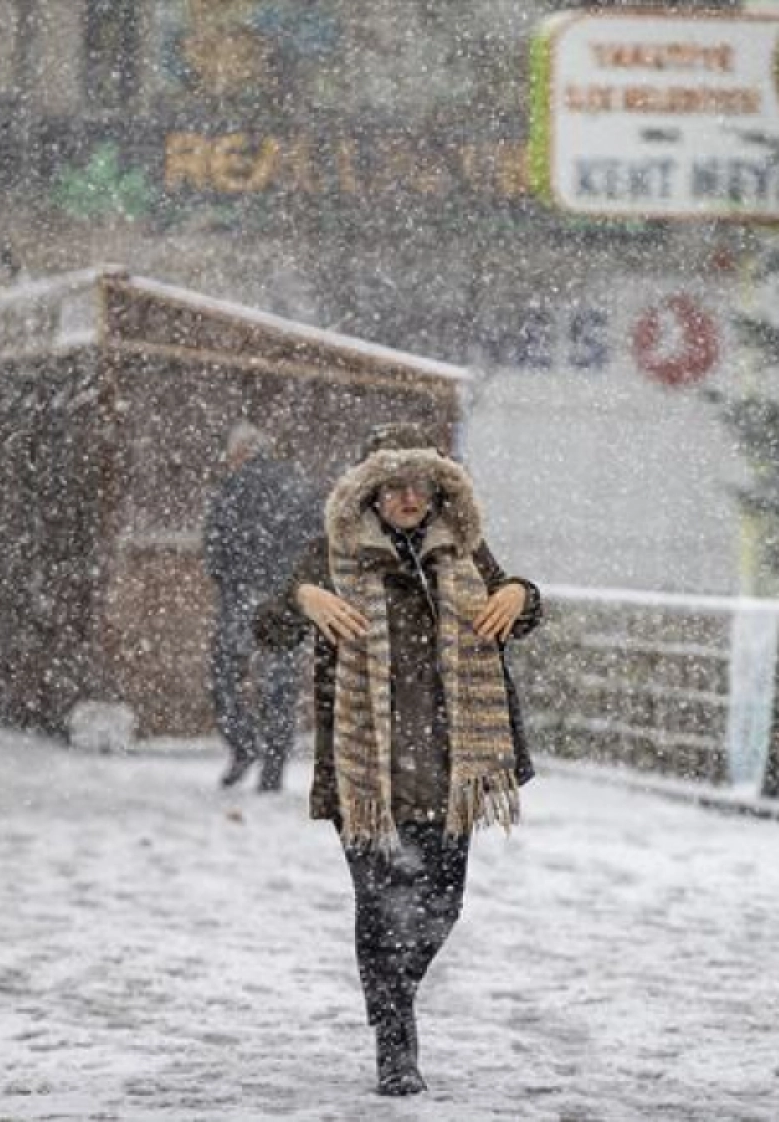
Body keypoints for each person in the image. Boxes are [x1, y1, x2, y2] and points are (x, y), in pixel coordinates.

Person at [255, 422, 540, 1097]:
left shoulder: (464, 550)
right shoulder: (330, 556)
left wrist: (521, 594)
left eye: (422, 485)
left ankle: (395, 996)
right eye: (395, 486)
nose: (410, 498)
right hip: (367, 775)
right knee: (381, 910)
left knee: (442, 908)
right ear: (369, 491)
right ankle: (396, 1042)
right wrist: (303, 599)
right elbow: (266, 629)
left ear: (439, 490)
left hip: (452, 767)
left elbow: (519, 614)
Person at [203, 423, 319, 791]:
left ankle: (243, 742)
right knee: (279, 686)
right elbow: (316, 537)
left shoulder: (232, 488)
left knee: (225, 676)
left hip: (243, 594)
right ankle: (273, 770)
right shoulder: (295, 484)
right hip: (285, 599)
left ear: (240, 453)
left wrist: (228, 580)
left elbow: (215, 542)